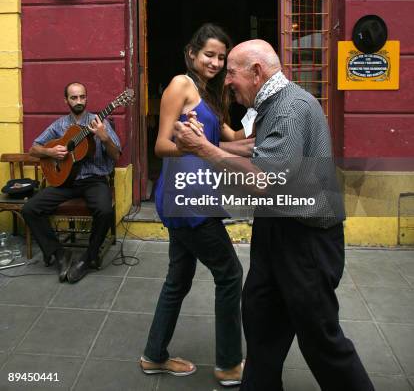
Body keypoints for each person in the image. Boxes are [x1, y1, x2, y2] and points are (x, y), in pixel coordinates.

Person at [173, 40, 375, 391]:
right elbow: (256, 148)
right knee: (262, 322)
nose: (227, 80)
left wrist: (202, 149)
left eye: (232, 72)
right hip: (275, 230)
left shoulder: (290, 108)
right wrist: (204, 141)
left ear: (256, 72)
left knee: (321, 339)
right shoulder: (274, 104)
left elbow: (263, 179)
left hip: (305, 239)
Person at [140, 23, 249, 387]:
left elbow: (234, 138)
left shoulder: (210, 96)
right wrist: (189, 146)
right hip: (188, 200)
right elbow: (160, 145)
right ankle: (229, 364)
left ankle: (154, 356)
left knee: (178, 279)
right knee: (230, 274)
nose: (216, 62)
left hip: (193, 197)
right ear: (192, 53)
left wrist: (262, 104)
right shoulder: (181, 85)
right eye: (209, 55)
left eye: (222, 57)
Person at [22, 82, 121, 284]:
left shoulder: (98, 122)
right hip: (65, 181)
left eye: (82, 97)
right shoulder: (59, 125)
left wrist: (104, 138)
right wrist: (49, 152)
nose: (78, 101)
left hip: (93, 180)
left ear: (87, 98)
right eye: (74, 97)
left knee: (105, 210)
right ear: (66, 100)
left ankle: (88, 257)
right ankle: (59, 253)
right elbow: (33, 149)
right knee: (30, 208)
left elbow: (116, 155)